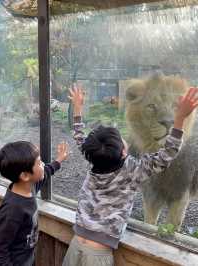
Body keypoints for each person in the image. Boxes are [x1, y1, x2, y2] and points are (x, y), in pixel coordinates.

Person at [63, 85, 198, 266]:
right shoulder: (131, 170)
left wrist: (78, 109)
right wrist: (180, 118)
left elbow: (80, 137)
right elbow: (168, 154)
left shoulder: (94, 159)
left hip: (76, 243)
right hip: (98, 255)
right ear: (124, 153)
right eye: (121, 140)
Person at [0, 141, 69, 266]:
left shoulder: (28, 188)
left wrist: (59, 160)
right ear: (25, 175)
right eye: (39, 162)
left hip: (28, 259)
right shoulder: (12, 210)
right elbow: (0, 249)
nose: (43, 164)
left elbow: (46, 171)